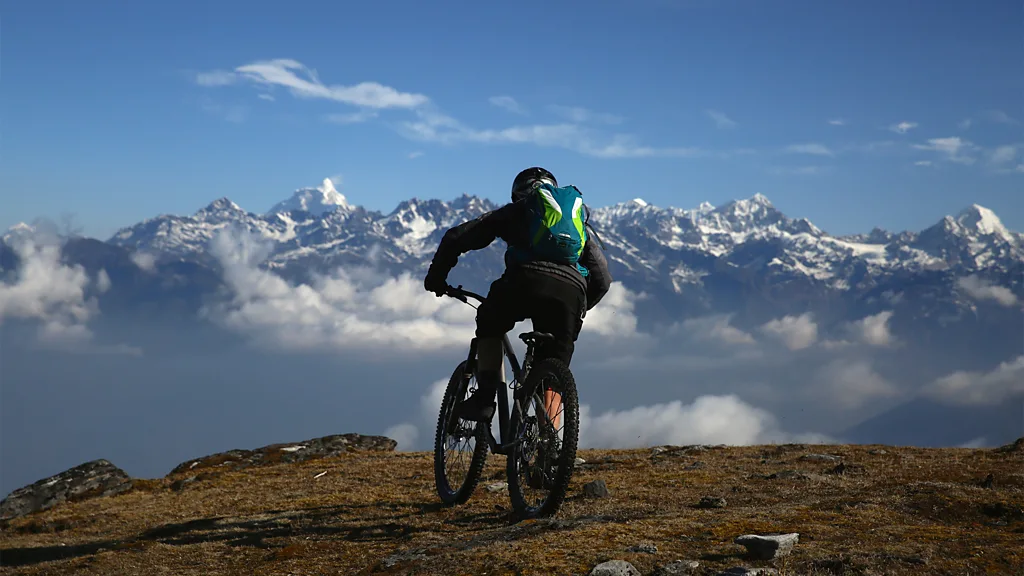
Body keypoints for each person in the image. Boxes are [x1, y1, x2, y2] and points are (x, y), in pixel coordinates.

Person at [423, 167, 612, 423]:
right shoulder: (579, 227)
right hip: (572, 291)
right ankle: (551, 449)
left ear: (518, 193)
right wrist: (578, 308)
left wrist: (436, 278)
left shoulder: (517, 210)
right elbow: (602, 277)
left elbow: (457, 237)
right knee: (554, 371)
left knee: (489, 320)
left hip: (524, 281)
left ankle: (484, 398)